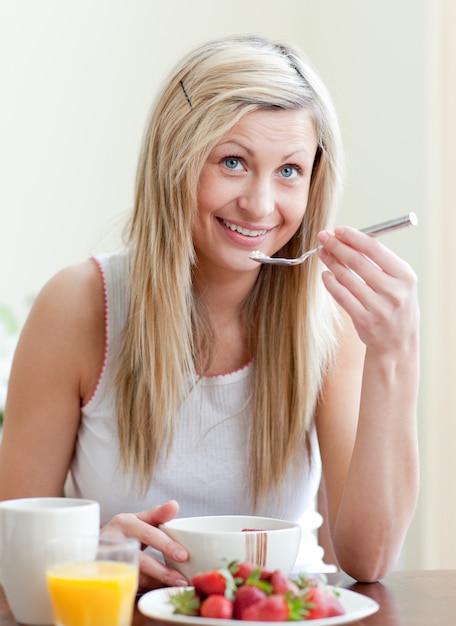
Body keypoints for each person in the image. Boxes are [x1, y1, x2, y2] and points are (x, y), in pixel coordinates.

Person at [0, 34, 419, 586]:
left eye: (289, 170)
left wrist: (395, 353)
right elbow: (10, 554)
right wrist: (101, 555)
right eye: (233, 162)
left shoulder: (329, 318)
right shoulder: (81, 306)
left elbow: (367, 560)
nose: (261, 205)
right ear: (174, 160)